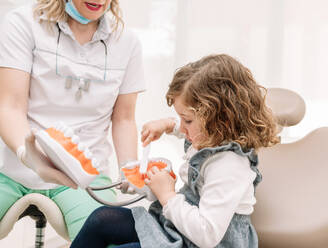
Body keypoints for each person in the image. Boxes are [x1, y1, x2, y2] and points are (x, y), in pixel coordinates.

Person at [70, 54, 280, 248]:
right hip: (179, 230)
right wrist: (168, 125)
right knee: (101, 219)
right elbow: (188, 130)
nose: (183, 126)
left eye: (187, 120)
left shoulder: (228, 166)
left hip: (204, 242)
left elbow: (207, 235)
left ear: (220, 119)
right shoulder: (211, 138)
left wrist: (168, 195)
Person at [0, 0, 145, 241]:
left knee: (113, 239)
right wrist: (28, 155)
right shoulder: (23, 23)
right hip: (14, 168)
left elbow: (124, 119)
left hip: (85, 179)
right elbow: (9, 107)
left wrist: (129, 169)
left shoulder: (126, 43)